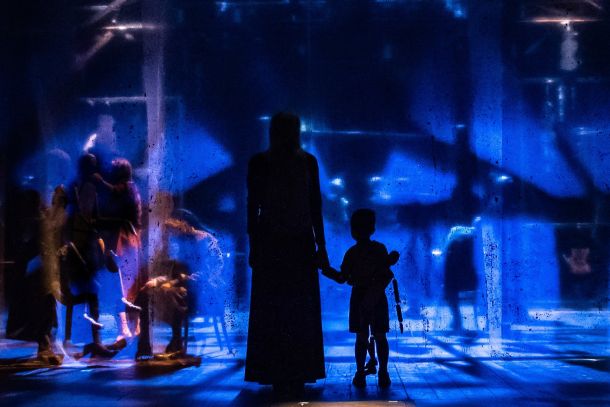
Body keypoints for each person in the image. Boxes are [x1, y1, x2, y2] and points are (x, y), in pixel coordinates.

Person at [245, 112, 328, 396]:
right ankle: (300, 369)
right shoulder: (307, 162)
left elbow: (253, 207)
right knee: (299, 309)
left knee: (273, 309)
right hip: (299, 243)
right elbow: (315, 207)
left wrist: (254, 244)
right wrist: (321, 246)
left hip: (271, 243)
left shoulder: (260, 162)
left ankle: (273, 369)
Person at [322, 209, 397, 388]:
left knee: (361, 338)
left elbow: (342, 278)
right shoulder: (380, 249)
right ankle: (383, 373)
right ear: (373, 228)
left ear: (353, 230)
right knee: (380, 336)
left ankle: (360, 373)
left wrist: (326, 269)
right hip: (378, 296)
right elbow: (386, 271)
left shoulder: (352, 253)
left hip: (359, 296)